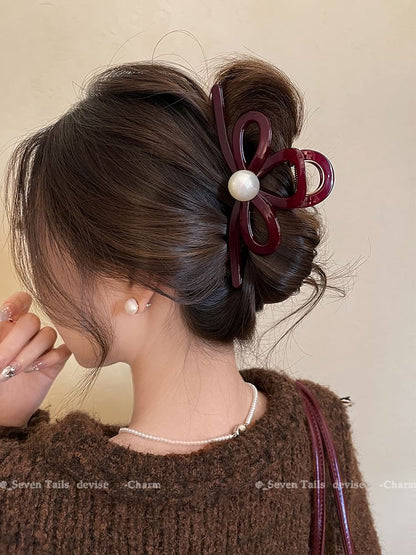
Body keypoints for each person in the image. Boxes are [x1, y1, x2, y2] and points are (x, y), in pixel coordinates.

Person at [0, 55, 382, 553]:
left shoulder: (32, 499)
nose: (42, 282)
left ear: (135, 282)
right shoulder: (318, 426)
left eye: (48, 249)